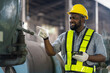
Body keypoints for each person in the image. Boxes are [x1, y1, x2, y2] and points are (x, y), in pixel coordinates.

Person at [37, 4, 107, 73]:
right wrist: (46, 38)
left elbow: (103, 57)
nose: (71, 20)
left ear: (83, 19)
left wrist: (87, 57)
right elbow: (51, 52)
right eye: (70, 18)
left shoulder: (95, 37)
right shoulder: (64, 36)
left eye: (75, 18)